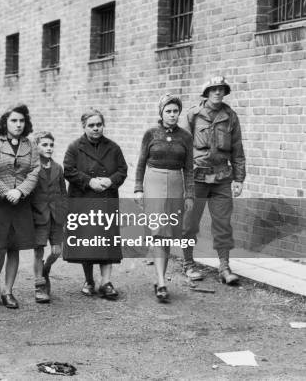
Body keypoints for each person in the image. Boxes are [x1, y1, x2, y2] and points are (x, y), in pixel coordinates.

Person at [180, 76, 245, 285]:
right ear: (206, 92)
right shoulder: (193, 115)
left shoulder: (230, 117)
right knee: (189, 223)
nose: (218, 92)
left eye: (221, 89)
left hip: (222, 178)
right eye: (213, 89)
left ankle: (224, 267)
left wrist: (239, 178)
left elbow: (237, 149)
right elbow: (182, 148)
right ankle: (188, 264)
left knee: (223, 224)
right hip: (197, 177)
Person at [134, 95, 194, 302]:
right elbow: (141, 162)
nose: (172, 115)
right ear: (161, 113)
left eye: (175, 111)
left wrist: (189, 194)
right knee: (158, 230)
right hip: (154, 181)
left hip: (176, 183)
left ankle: (160, 278)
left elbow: (189, 169)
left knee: (168, 232)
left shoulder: (186, 137)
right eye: (168, 111)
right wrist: (138, 189)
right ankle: (161, 281)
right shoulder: (150, 134)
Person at [63, 109, 127, 300]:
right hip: (83, 200)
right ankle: (89, 280)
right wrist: (89, 181)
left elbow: (122, 170)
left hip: (106, 199)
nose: (96, 128)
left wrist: (110, 181)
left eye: (98, 124)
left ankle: (106, 282)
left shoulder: (113, 148)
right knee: (88, 241)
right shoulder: (75, 147)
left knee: (106, 240)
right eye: (91, 125)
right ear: (84, 127)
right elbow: (68, 170)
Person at [0, 104, 39, 309]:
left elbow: (35, 171)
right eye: (13, 121)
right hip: (1, 202)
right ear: (5, 123)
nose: (18, 124)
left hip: (21, 203)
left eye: (21, 121)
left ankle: (8, 291)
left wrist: (20, 191)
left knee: (15, 248)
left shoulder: (31, 145)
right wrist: (7, 192)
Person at [31, 131, 67, 304]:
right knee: (38, 251)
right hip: (38, 217)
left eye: (51, 145)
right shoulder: (32, 168)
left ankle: (45, 270)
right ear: (36, 147)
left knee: (56, 251)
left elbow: (63, 193)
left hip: (56, 216)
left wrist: (65, 214)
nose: (49, 148)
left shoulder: (58, 168)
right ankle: (39, 286)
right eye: (44, 145)